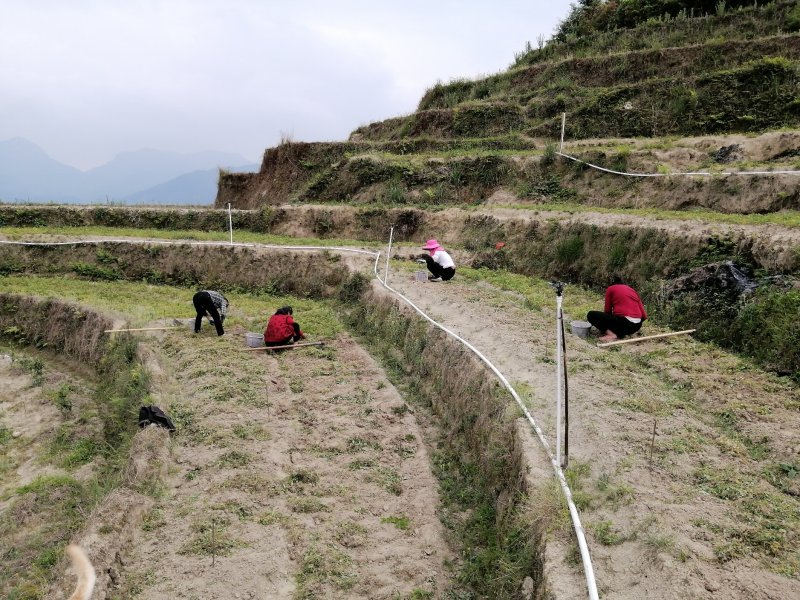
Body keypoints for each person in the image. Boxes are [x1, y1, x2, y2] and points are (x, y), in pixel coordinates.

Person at [587, 277, 647, 342]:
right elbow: (644, 316)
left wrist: (603, 325)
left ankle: (611, 335)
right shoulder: (632, 290)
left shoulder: (610, 289)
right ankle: (620, 333)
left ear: (612, 284)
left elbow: (607, 311)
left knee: (591, 314)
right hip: (637, 326)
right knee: (618, 320)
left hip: (624, 324)